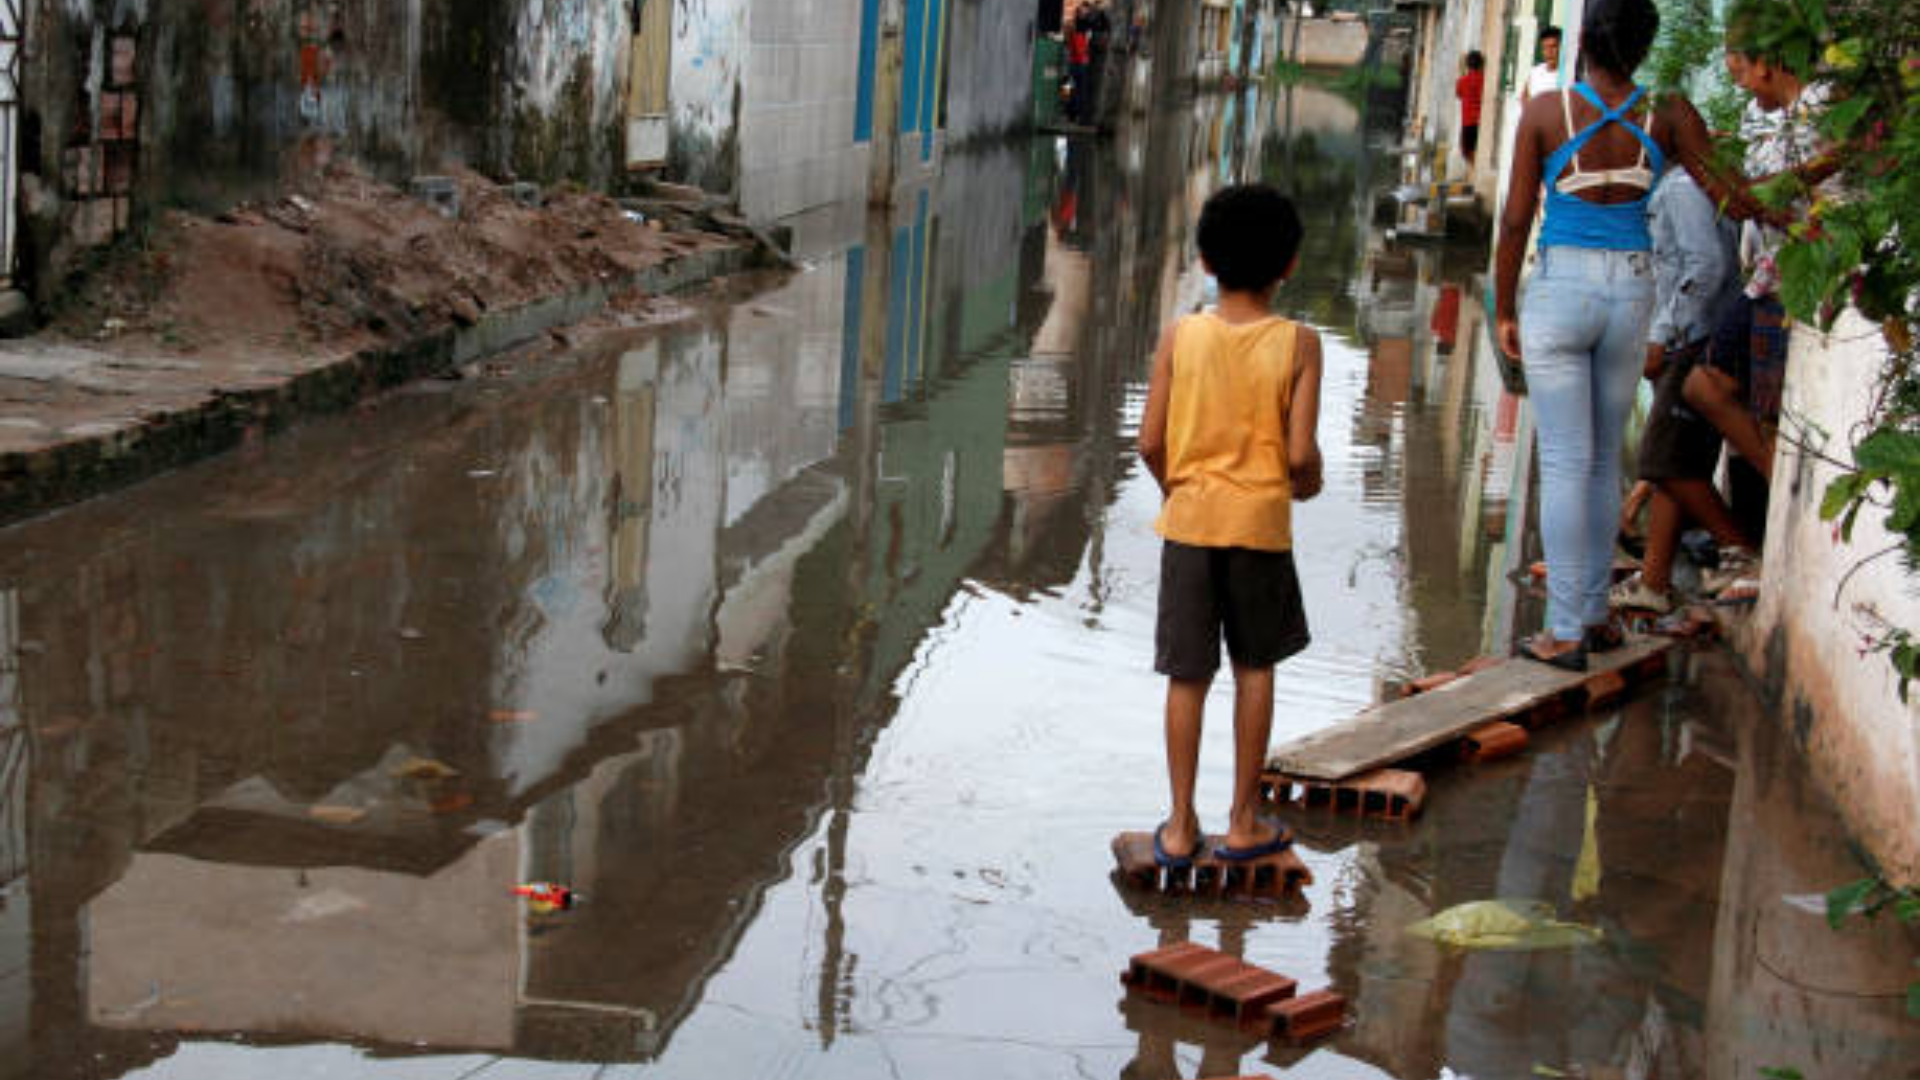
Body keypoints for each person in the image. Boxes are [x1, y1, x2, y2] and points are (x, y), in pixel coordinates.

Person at [1493, 0, 1785, 669]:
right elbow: (1734, 196)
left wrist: (1506, 308)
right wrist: (1798, 213)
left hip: (1561, 288)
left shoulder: (1546, 113)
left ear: (1584, 43)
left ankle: (1566, 631)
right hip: (1631, 291)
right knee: (1601, 457)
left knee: (1566, 461)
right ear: (1646, 46)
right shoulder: (1671, 113)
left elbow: (1514, 221)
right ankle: (1593, 617)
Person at [1137, 184, 1324, 867]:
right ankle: (1243, 822)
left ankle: (1180, 826)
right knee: (1254, 668)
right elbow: (1299, 457)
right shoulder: (1300, 344)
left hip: (1190, 525)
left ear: (1206, 262)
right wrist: (1306, 484)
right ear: (1290, 265)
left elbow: (1149, 442)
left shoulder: (1180, 336)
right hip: (1259, 529)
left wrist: (1182, 491)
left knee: (1186, 676)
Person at [1678, 0, 1834, 591]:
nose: (1740, 83)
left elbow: (1768, 193)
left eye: (1740, 70)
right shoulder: (1762, 115)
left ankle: (1782, 527)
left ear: (1767, 63)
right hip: (1763, 275)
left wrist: (1747, 187)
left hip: (1789, 280)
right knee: (1709, 387)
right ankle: (1771, 506)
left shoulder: (1821, 109)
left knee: (1744, 400)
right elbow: (1753, 190)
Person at [1609, 169, 1753, 615]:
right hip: (1686, 336)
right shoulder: (1669, 191)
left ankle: (1739, 550)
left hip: (1693, 338)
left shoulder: (1681, 190)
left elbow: (1708, 268)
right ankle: (1653, 582)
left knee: (1663, 461)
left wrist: (1662, 335)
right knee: (1672, 461)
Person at [1457, 51, 1487, 170]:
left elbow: (1458, 94)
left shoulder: (1462, 81)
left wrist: (1461, 72)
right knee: (1475, 149)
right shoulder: (1483, 79)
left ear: (1468, 65)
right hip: (1479, 120)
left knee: (1466, 151)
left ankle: (1474, 170)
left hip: (1467, 121)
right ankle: (1475, 169)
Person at [1521, 26, 1564, 106]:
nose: (1549, 52)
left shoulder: (1567, 75)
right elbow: (1524, 97)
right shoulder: (1535, 72)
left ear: (1561, 48)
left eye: (1553, 47)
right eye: (1545, 48)